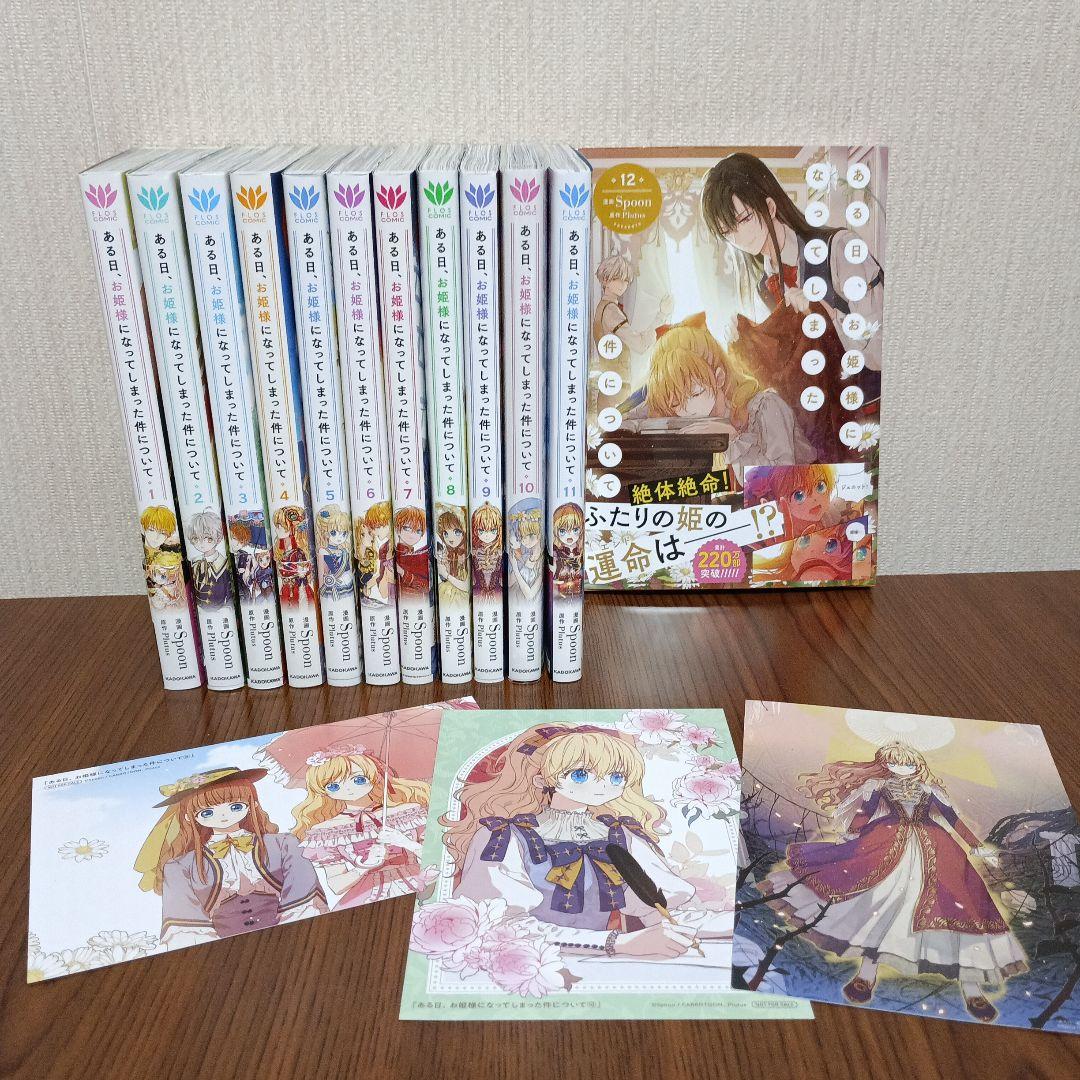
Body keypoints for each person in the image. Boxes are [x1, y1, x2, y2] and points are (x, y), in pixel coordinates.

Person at [759, 742, 1027, 1022]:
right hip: (886, 846)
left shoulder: (930, 790)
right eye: (895, 763)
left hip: (937, 850)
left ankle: (972, 988)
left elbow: (953, 820)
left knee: (958, 909)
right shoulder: (878, 786)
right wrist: (852, 837)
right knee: (881, 905)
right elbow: (864, 814)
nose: (902, 768)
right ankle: (867, 972)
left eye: (908, 763)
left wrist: (976, 846)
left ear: (917, 765)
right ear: (885, 764)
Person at [442, 722, 698, 959]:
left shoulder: (622, 835)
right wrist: (616, 943)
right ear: (542, 779)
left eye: (616, 777)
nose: (602, 786)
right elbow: (498, 925)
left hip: (609, 964)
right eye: (581, 775)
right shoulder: (503, 837)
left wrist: (688, 928)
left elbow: (663, 907)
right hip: (523, 961)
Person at [134, 767, 325, 948]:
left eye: (235, 806)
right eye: (207, 812)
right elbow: (184, 920)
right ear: (188, 818)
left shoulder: (284, 844)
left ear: (252, 805)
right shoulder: (179, 866)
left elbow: (303, 892)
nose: (224, 816)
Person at [291, 748, 432, 907]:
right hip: (367, 895)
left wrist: (406, 843)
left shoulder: (408, 812)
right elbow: (335, 886)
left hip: (419, 881)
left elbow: (438, 856)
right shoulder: (328, 830)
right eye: (334, 786)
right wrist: (363, 866)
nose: (348, 789)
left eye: (358, 780)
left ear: (374, 776)